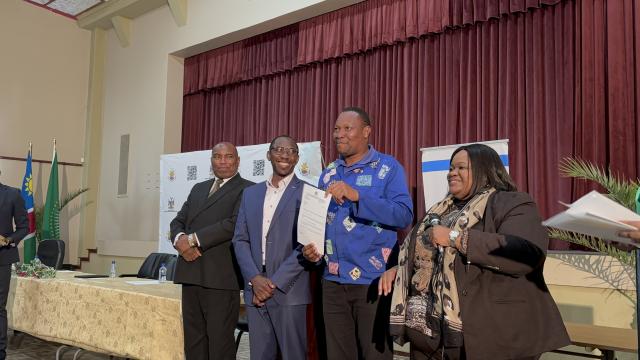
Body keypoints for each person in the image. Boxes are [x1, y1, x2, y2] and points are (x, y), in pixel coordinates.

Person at [379, 143, 569, 360]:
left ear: (485, 169)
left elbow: (525, 254)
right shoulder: (440, 210)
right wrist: (402, 268)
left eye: (461, 168)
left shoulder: (511, 203)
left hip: (490, 338)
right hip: (430, 336)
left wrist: (456, 238)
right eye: (451, 168)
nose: (452, 173)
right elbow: (426, 255)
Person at [302, 107, 414, 360]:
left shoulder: (388, 167)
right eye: (336, 129)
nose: (339, 135)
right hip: (332, 282)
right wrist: (312, 251)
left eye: (347, 129)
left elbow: (404, 215)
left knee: (374, 355)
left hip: (373, 282)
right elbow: (320, 222)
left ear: (366, 131)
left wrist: (358, 196)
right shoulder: (329, 172)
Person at [170, 142, 253, 360]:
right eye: (217, 157)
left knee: (220, 345)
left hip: (221, 278)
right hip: (190, 272)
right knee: (194, 342)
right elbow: (178, 220)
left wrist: (194, 240)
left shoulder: (249, 189)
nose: (223, 162)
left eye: (228, 157)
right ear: (211, 161)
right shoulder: (198, 188)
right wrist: (180, 241)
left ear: (237, 161)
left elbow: (233, 224)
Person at [233, 135, 311, 360]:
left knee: (293, 356)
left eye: (291, 151)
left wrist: (273, 284)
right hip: (255, 289)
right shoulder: (251, 194)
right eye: (279, 149)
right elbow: (240, 239)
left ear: (297, 157)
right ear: (269, 155)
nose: (285, 155)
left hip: (289, 291)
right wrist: (254, 279)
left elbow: (308, 245)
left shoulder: (309, 193)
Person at [0, 171, 28, 360]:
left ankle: (0, 352)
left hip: (2, 258)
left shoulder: (12, 194)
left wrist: (8, 240)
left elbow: (24, 227)